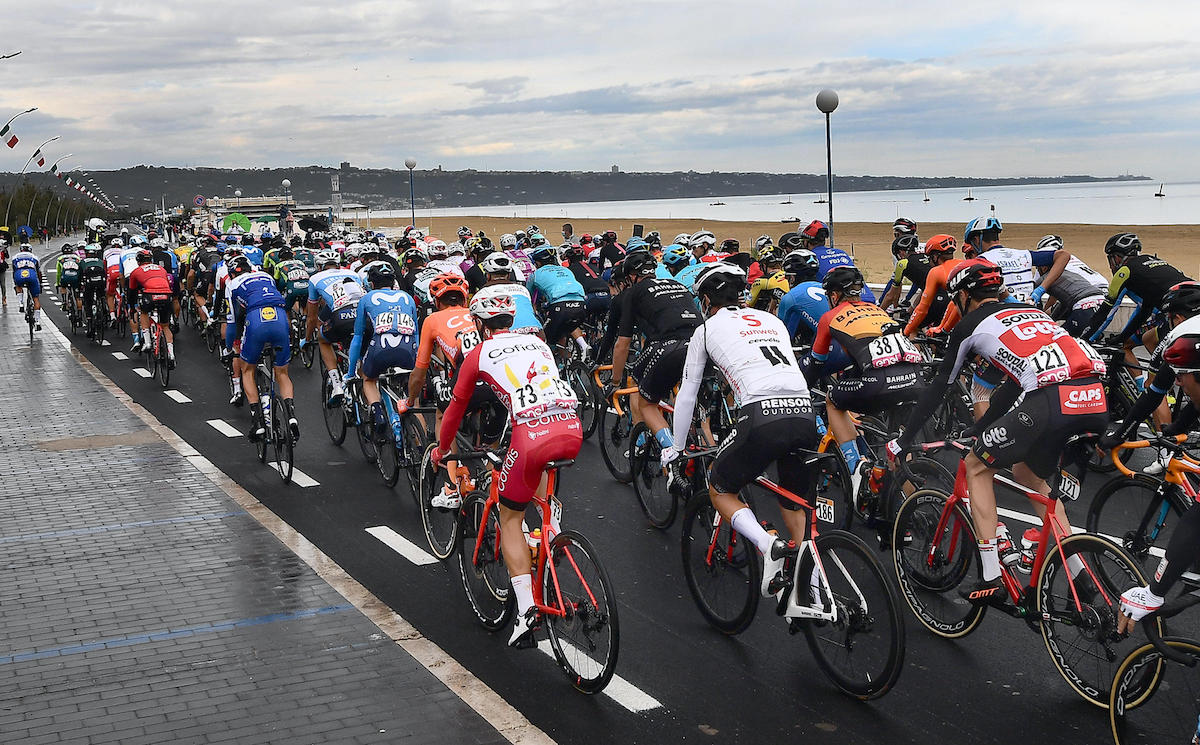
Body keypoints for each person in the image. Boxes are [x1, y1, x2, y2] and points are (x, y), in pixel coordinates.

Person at [889, 259, 1108, 605]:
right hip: (1094, 397)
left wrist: (903, 440)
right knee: (1029, 475)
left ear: (963, 296)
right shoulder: (1029, 309)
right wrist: (981, 426)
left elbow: (939, 388)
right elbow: (1014, 379)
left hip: (1050, 401)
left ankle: (990, 576)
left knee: (977, 467)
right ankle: (1080, 573)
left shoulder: (971, 324)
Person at [431, 286, 582, 647]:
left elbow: (454, 410)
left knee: (510, 515)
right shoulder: (539, 344)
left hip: (531, 434)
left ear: (480, 324)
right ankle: (549, 534)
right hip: (571, 427)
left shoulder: (479, 352)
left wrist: (441, 449)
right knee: (541, 497)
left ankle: (527, 610)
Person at [661, 262, 819, 601]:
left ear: (705, 301)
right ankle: (815, 589)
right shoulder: (772, 320)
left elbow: (687, 393)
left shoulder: (705, 330)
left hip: (760, 415)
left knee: (719, 488)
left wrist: (676, 448)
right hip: (804, 412)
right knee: (793, 503)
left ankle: (768, 545)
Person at [1099, 282, 1200, 630]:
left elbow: (1157, 393)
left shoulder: (1181, 338)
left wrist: (1155, 592)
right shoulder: (1191, 343)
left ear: (1173, 315)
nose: (1181, 386)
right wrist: (1178, 428)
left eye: (1183, 378)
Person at [807, 266, 925, 500]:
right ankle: (911, 506)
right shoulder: (877, 310)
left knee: (833, 401)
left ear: (833, 296)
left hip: (878, 383)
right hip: (915, 379)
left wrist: (803, 385)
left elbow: (816, 362)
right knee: (897, 446)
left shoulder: (830, 317)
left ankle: (856, 468)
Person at [608, 250, 703, 460]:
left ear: (632, 276)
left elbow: (622, 344)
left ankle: (673, 452)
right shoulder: (677, 284)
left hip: (669, 346)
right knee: (697, 403)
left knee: (642, 394)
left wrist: (614, 382)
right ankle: (708, 458)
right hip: (701, 344)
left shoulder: (634, 292)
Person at [226, 255, 299, 442]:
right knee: (282, 373)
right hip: (280, 316)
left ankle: (257, 421)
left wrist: (230, 348)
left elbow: (233, 321)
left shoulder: (232, 284)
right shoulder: (266, 277)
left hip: (256, 318)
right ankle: (291, 415)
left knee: (247, 369)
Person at [345, 264, 419, 440]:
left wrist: (350, 373)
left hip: (380, 347)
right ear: (393, 281)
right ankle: (419, 443)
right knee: (413, 400)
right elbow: (416, 333)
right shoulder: (407, 297)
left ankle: (377, 411)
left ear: (371, 283)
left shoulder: (366, 298)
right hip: (408, 349)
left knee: (369, 379)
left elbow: (357, 337)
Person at [305, 249, 367, 405]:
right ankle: (363, 393)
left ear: (319, 266)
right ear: (338, 265)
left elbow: (312, 317)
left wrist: (306, 339)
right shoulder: (353, 274)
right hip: (362, 315)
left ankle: (336, 384)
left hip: (340, 316)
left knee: (322, 339)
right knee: (362, 351)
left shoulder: (315, 278)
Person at [1032, 235, 1106, 336]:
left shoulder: (1050, 270)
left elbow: (1044, 296)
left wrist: (1044, 320)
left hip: (1084, 299)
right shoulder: (1070, 259)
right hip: (1100, 294)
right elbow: (1061, 299)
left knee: (1059, 337)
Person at [527, 244, 588, 359]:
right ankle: (583, 346)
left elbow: (528, 298)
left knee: (546, 339)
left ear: (538, 263)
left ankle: (556, 363)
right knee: (569, 325)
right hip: (581, 304)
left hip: (560, 306)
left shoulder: (535, 275)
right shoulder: (566, 270)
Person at [800, 220, 877, 303]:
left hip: (845, 303)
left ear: (806, 242)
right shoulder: (841, 252)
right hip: (868, 298)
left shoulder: (809, 257)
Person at [902, 234, 963, 336]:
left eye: (929, 257)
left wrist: (906, 331)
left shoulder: (935, 271)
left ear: (935, 257)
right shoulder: (963, 263)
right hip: (966, 312)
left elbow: (922, 309)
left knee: (914, 329)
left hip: (951, 307)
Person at [127, 249, 176, 364]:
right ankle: (171, 354)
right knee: (165, 326)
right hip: (166, 294)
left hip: (150, 295)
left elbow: (132, 292)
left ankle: (148, 342)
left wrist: (132, 307)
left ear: (138, 261)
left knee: (143, 312)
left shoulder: (136, 271)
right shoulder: (161, 268)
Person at [480, 252, 542, 336]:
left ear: (487, 276)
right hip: (537, 332)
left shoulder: (483, 292)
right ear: (509, 275)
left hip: (507, 335)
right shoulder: (523, 289)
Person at [878, 234, 928, 312]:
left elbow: (890, 296)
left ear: (901, 252)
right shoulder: (926, 256)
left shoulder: (902, 264)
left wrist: (879, 313)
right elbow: (925, 290)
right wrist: (910, 311)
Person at [10, 243, 42, 329]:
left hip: (19, 274)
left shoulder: (15, 257)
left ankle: (21, 303)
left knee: (18, 286)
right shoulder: (35, 257)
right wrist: (40, 283)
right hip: (31, 275)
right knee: (36, 298)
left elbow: (14, 270)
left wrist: (15, 283)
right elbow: (39, 272)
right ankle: (38, 321)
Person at [54, 243, 83, 317]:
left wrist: (57, 283)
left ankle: (64, 301)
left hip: (65, 278)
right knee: (77, 297)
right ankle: (79, 313)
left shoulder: (60, 259)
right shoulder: (77, 258)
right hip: (75, 278)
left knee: (63, 287)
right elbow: (80, 270)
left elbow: (58, 273)